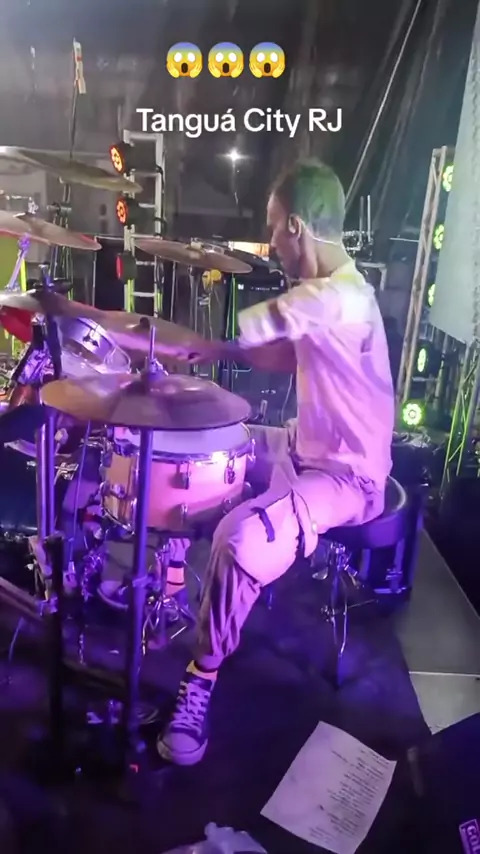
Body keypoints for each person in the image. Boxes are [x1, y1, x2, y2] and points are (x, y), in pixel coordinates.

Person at [156, 159, 395, 766]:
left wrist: (203, 343)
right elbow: (285, 354)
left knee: (240, 540)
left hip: (347, 478)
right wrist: (211, 363)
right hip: (301, 448)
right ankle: (172, 586)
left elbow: (267, 328)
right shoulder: (332, 298)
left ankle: (200, 678)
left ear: (295, 226)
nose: (270, 243)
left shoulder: (341, 296)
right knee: (197, 445)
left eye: (272, 228)